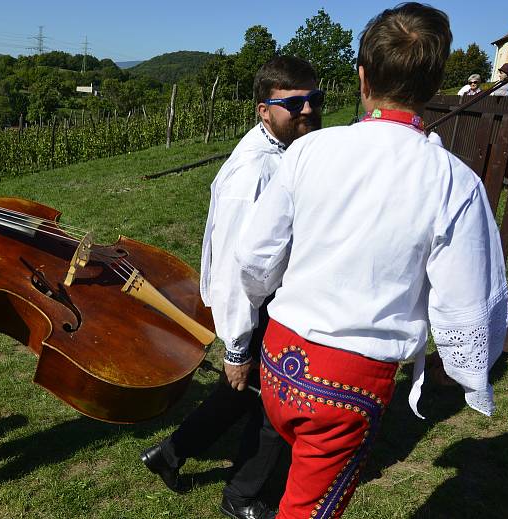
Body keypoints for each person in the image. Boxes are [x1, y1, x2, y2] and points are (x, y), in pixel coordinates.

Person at [232, 4, 508, 519]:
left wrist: (252, 309)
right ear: (432, 82)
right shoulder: (451, 181)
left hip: (279, 357)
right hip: (347, 384)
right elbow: (467, 301)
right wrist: (463, 367)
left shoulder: (309, 152)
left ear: (362, 76)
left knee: (299, 487)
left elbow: (253, 257)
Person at [141, 56, 323, 519]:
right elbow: (234, 268)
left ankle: (170, 454)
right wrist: (238, 346)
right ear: (263, 109)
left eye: (314, 99)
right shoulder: (255, 172)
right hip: (257, 305)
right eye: (294, 102)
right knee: (274, 407)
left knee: (238, 394)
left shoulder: (283, 151)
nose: (307, 110)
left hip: (268, 300)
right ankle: (242, 495)